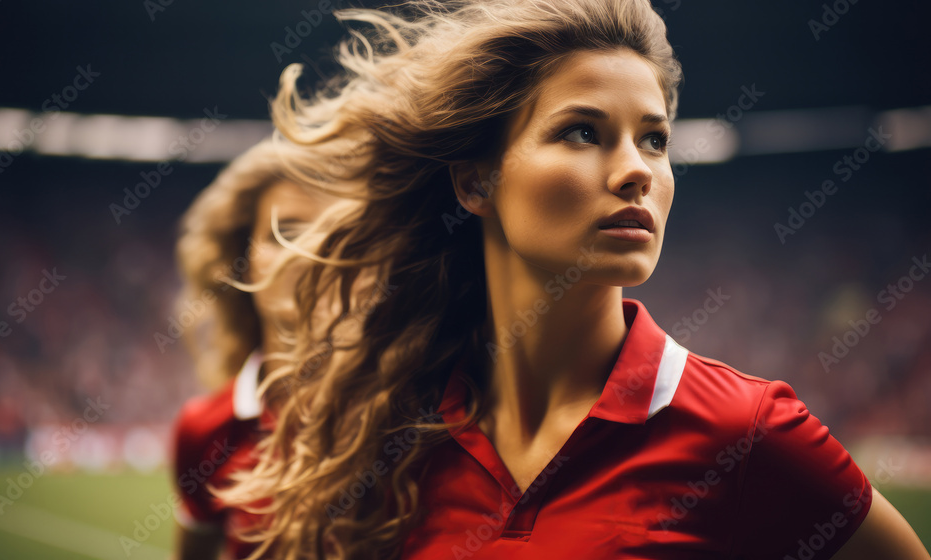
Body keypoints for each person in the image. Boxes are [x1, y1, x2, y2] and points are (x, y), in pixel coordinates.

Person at [224, 1, 931, 559]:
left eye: (654, 139)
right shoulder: (388, 434)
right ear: (476, 180)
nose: (637, 171)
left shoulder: (748, 436)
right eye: (583, 133)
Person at [170, 138, 335, 560]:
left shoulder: (419, 410)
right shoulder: (204, 431)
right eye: (285, 232)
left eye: (335, 232)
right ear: (241, 258)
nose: (308, 252)